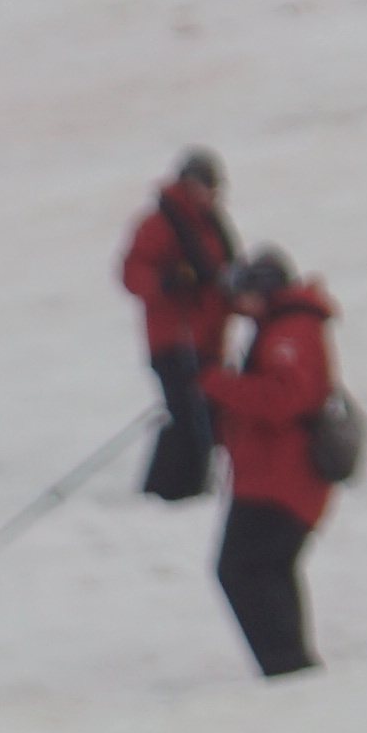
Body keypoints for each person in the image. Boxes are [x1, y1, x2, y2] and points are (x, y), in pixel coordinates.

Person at [202, 247, 341, 681]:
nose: (239, 306)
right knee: (267, 569)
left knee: (242, 569)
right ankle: (291, 668)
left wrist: (218, 385)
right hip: (272, 478)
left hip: (280, 479)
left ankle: (286, 667)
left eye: (244, 294)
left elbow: (284, 399)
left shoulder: (291, 330)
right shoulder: (287, 325)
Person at [121, 152, 240, 501]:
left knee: (204, 417)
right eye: (206, 185)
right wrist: (166, 282)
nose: (212, 193)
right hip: (173, 340)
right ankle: (169, 493)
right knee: (189, 417)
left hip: (208, 342)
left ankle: (176, 492)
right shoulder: (158, 223)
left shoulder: (213, 225)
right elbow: (131, 273)